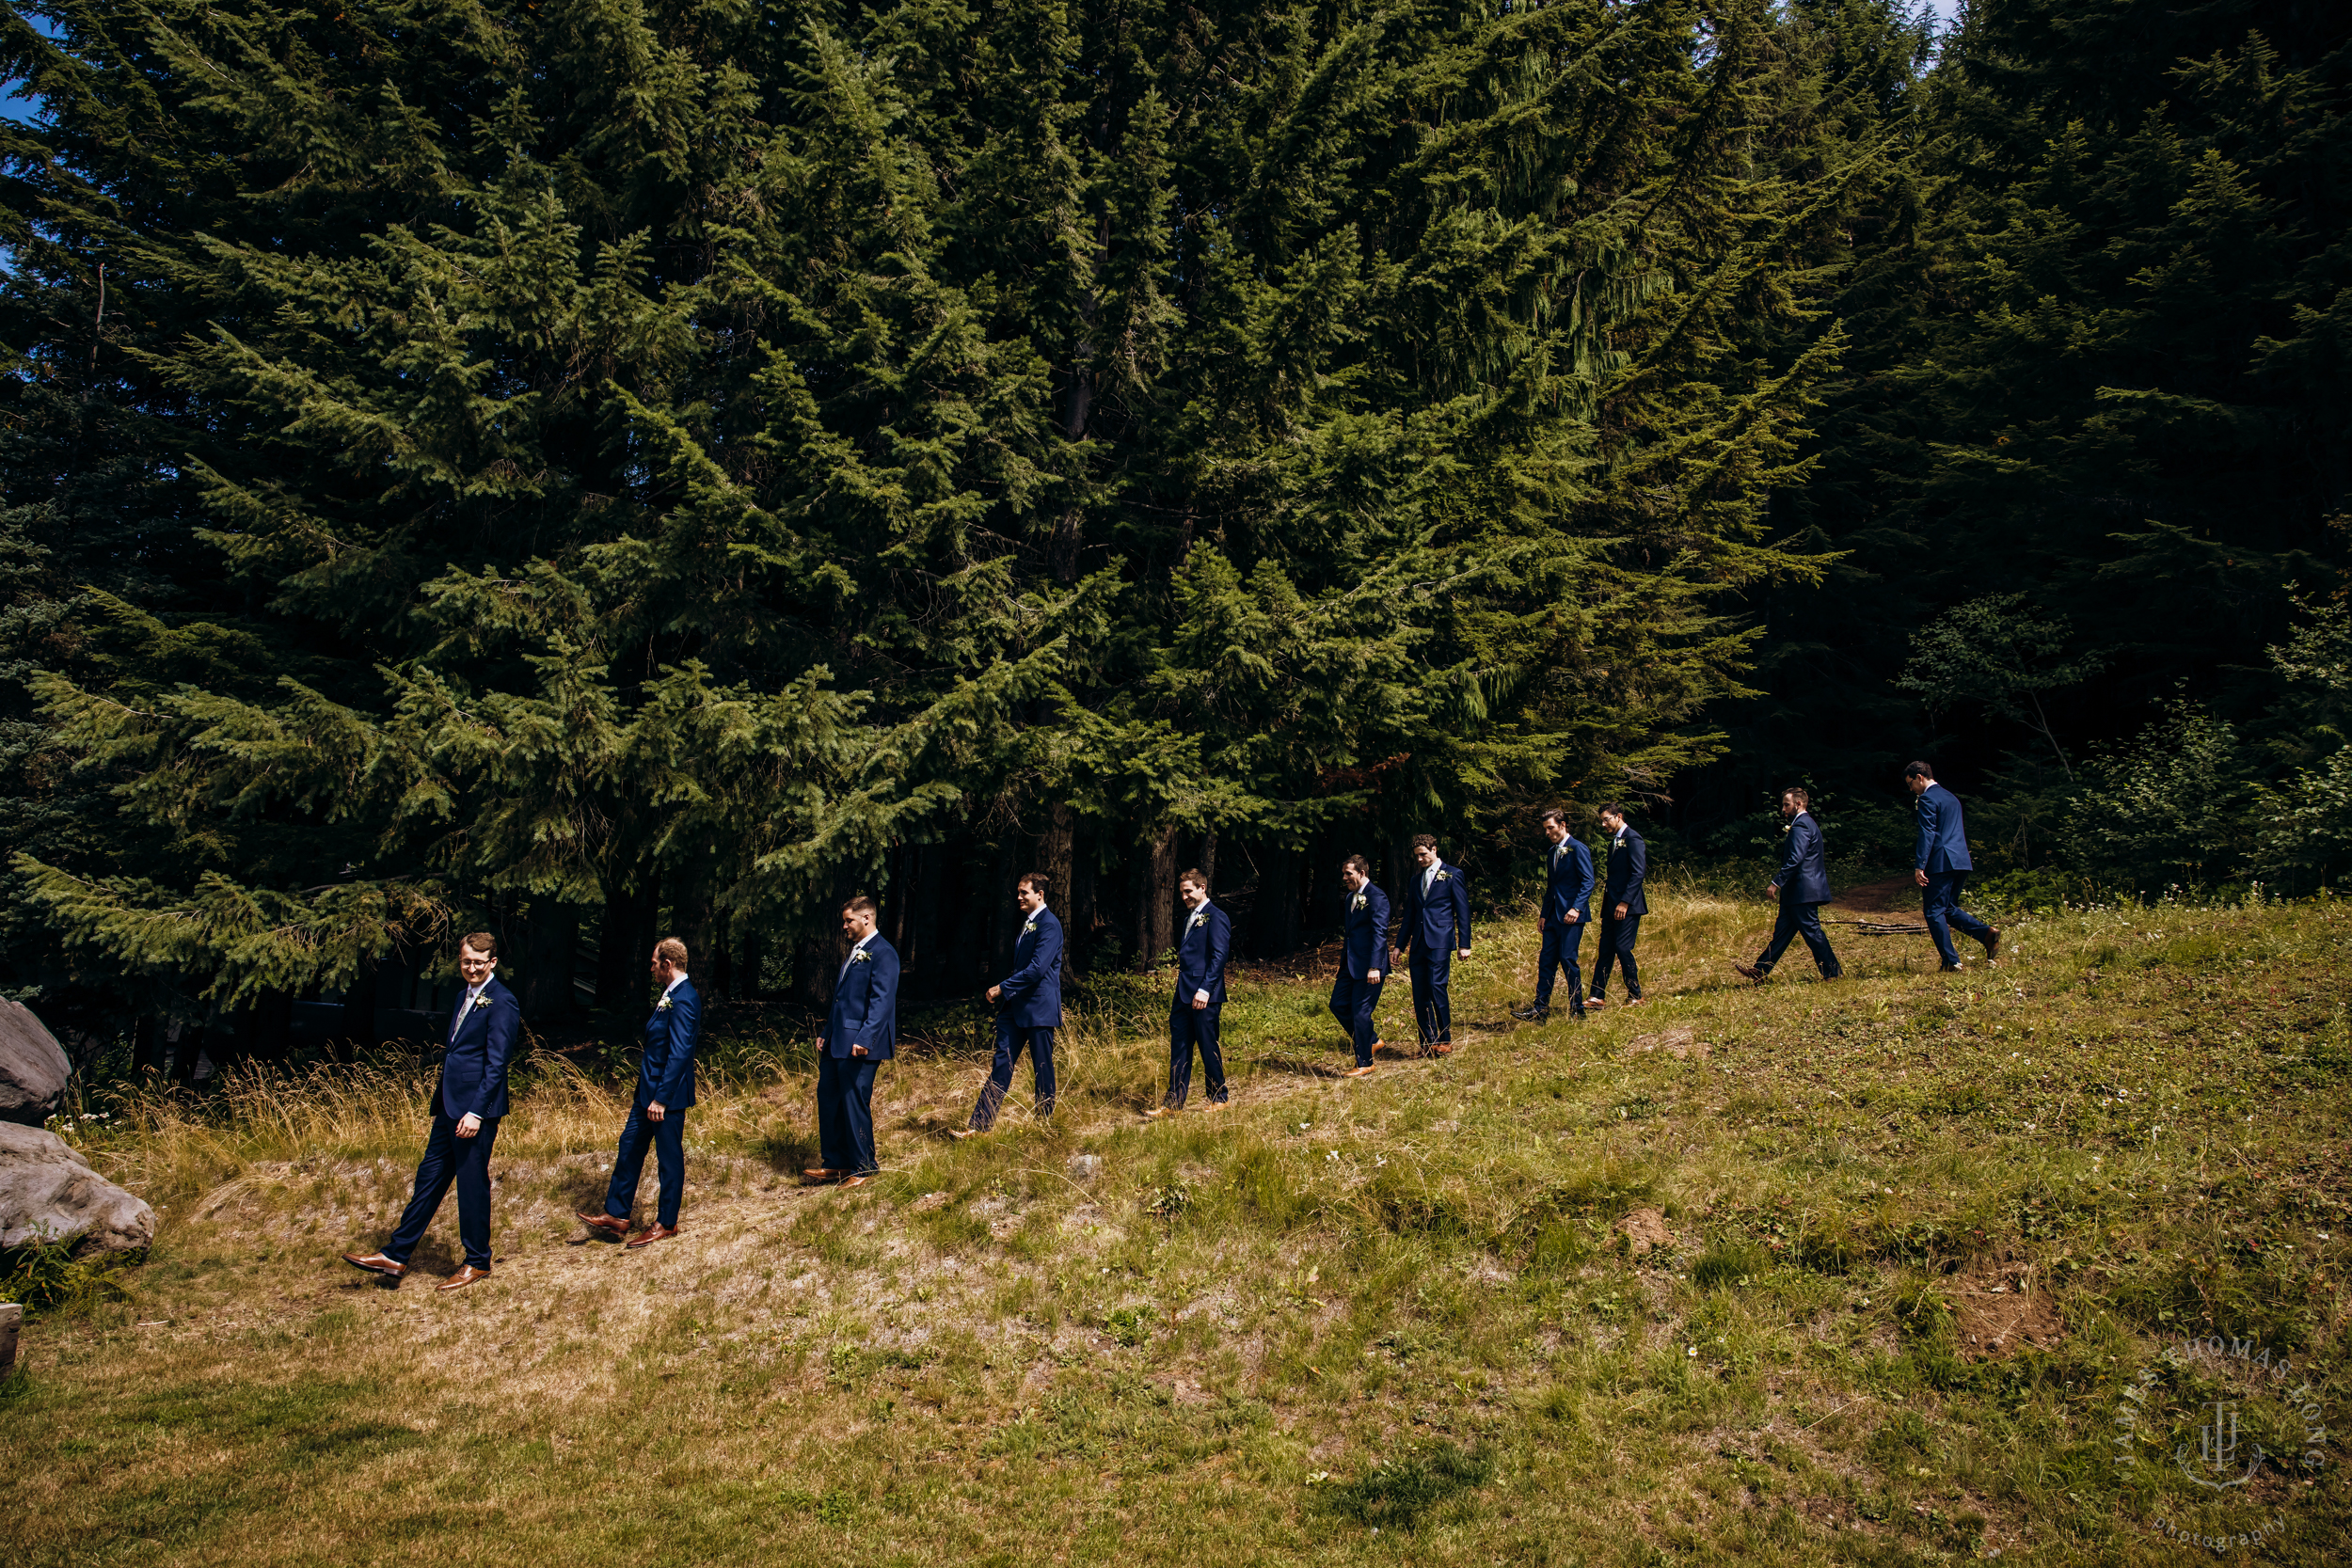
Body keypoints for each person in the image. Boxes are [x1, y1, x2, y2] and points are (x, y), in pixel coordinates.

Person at [342, 932, 520, 1291]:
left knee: (471, 1184)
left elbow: (497, 1063)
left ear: (493, 963)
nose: (471, 968)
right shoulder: (461, 996)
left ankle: (477, 1262)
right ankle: (396, 1255)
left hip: (474, 1111)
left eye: (478, 962)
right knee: (429, 1179)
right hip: (448, 1105)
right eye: (466, 961)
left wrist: (477, 1112)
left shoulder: (502, 1001)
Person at [577, 938, 701, 1247]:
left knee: (668, 1158)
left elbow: (680, 1052)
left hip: (665, 1098)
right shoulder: (670, 994)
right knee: (629, 1146)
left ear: (667, 965)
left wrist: (662, 1097)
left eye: (654, 962)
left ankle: (667, 1222)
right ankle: (617, 1214)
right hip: (645, 1094)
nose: (651, 968)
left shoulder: (685, 998)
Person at [955, 872, 1063, 1136]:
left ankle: (1044, 1125)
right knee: (1001, 1064)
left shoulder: (1050, 925)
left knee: (1042, 1067)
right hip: (1015, 1010)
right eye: (1018, 892)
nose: (1019, 897)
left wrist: (1003, 987)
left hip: (1038, 1009)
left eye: (1024, 892)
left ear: (1040, 894)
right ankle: (979, 1127)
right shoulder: (1028, 924)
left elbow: (1037, 970)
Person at [806, 895, 899, 1188]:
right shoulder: (855, 952)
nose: (844, 926)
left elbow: (882, 1001)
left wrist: (866, 1037)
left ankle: (863, 1167)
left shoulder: (884, 953)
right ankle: (835, 1163)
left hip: (860, 1043)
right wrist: (826, 1031)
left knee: (853, 1101)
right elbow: (842, 1001)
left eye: (849, 920)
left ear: (867, 919)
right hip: (837, 1041)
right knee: (829, 1099)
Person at [1734, 788, 1844, 984]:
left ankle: (1833, 973)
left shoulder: (1802, 825)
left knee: (1812, 932)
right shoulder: (1805, 824)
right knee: (1782, 934)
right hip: (1796, 892)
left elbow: (1796, 859)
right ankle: (1760, 970)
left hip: (1803, 890)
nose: (1783, 809)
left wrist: (1776, 882)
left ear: (1798, 804)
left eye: (1787, 804)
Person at [1147, 868, 1230, 1117]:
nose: (1184, 897)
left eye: (1188, 891)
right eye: (1182, 892)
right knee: (1180, 1046)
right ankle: (1173, 1105)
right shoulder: (1188, 919)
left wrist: (1205, 989)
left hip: (1206, 994)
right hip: (1183, 993)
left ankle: (1220, 1098)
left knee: (1207, 1045)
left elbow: (1219, 957)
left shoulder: (1216, 917)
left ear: (1202, 888)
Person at [1907, 761, 2001, 971]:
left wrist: (1920, 865)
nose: (1911, 788)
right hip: (1961, 861)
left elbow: (1927, 833)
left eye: (1910, 783)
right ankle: (1986, 934)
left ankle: (1951, 961)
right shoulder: (1952, 797)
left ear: (1920, 777)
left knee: (1933, 911)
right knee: (1947, 909)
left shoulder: (1927, 799)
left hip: (1941, 861)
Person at [1392, 833, 1471, 1056]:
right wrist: (1399, 945)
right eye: (1416, 856)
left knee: (1437, 987)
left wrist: (1464, 943)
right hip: (1418, 942)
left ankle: (1445, 1039)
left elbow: (1463, 912)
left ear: (1434, 850)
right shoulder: (1415, 880)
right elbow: (1410, 914)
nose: (1419, 859)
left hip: (1440, 940)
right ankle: (1427, 1043)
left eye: (1423, 854)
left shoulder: (1454, 875)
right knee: (1419, 993)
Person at [1514, 807, 1593, 1022]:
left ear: (1563, 825)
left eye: (1550, 828)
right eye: (1545, 829)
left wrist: (1576, 908)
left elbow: (1588, 881)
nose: (1547, 833)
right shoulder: (1552, 852)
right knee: (1546, 960)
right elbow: (1552, 887)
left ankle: (1578, 1009)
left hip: (1572, 916)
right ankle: (1540, 1010)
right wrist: (1543, 914)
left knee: (1568, 960)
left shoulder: (1578, 848)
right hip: (1552, 917)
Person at [1329, 854, 1390, 1078]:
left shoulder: (1377, 897)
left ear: (1362, 873)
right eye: (1343, 874)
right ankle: (1371, 1040)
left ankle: (1365, 1063)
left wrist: (1375, 966)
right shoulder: (1350, 898)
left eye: (1349, 874)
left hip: (1370, 966)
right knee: (1337, 1004)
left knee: (1361, 1012)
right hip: (1349, 964)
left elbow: (1379, 933)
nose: (1344, 878)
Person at [1587, 804, 1647, 1008]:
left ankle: (1636, 995)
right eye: (1602, 821)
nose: (1603, 824)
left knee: (1622, 948)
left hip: (1628, 905)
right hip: (1611, 905)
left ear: (1618, 816)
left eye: (1606, 819)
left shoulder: (1633, 838)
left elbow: (1638, 873)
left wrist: (1624, 902)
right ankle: (1597, 997)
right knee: (1605, 949)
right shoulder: (1615, 841)